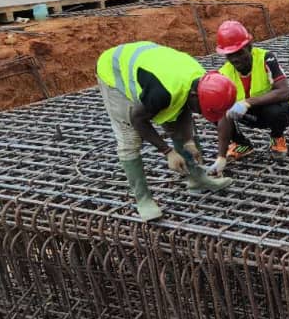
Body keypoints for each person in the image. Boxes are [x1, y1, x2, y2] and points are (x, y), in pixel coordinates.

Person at [96, 41, 236, 222]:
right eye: (202, 110)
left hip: (155, 71)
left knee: (177, 122)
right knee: (130, 139)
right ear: (195, 95)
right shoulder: (162, 93)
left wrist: (188, 140)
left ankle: (197, 179)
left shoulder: (201, 80)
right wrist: (168, 152)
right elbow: (138, 119)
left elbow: (185, 105)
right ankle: (143, 200)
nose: (201, 113)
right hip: (114, 72)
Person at [207, 20, 289, 176]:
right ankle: (242, 144)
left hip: (271, 112)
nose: (235, 59)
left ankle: (277, 137)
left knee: (277, 111)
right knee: (215, 110)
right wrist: (221, 157)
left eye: (239, 53)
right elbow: (221, 115)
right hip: (247, 115)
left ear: (249, 47)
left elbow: (284, 92)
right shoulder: (224, 73)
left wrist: (247, 102)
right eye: (230, 55)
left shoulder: (266, 58)